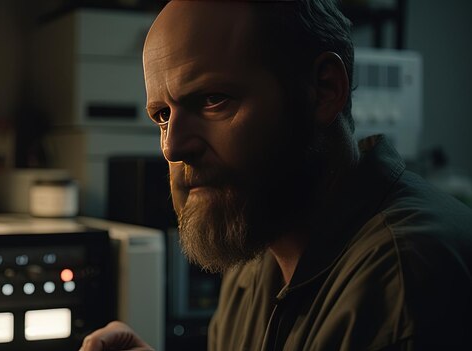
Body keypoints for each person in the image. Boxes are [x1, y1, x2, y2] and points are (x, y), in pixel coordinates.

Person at [80, 0, 472, 350]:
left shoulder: (403, 284)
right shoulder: (256, 248)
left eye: (213, 100)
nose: (172, 147)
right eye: (162, 116)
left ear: (324, 89)